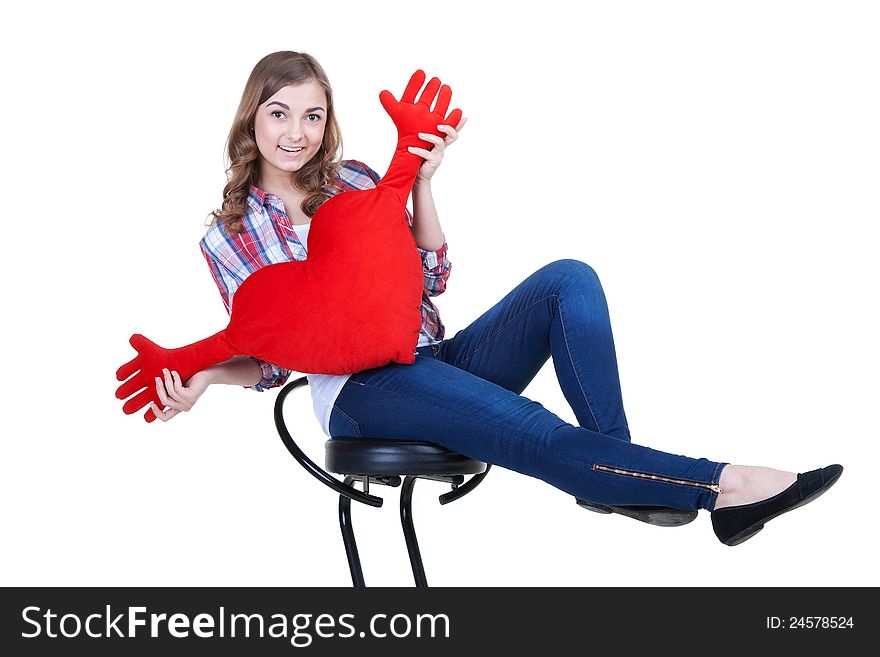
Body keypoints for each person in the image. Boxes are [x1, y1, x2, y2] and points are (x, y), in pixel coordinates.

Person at [149, 51, 842, 546]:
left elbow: (431, 277)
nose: (295, 132)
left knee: (569, 279)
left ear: (327, 121)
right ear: (253, 119)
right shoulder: (232, 234)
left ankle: (611, 463)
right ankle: (726, 484)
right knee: (532, 427)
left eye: (311, 114)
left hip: (429, 352)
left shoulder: (360, 180)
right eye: (279, 114)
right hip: (360, 389)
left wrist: (422, 181)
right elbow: (265, 353)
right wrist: (205, 377)